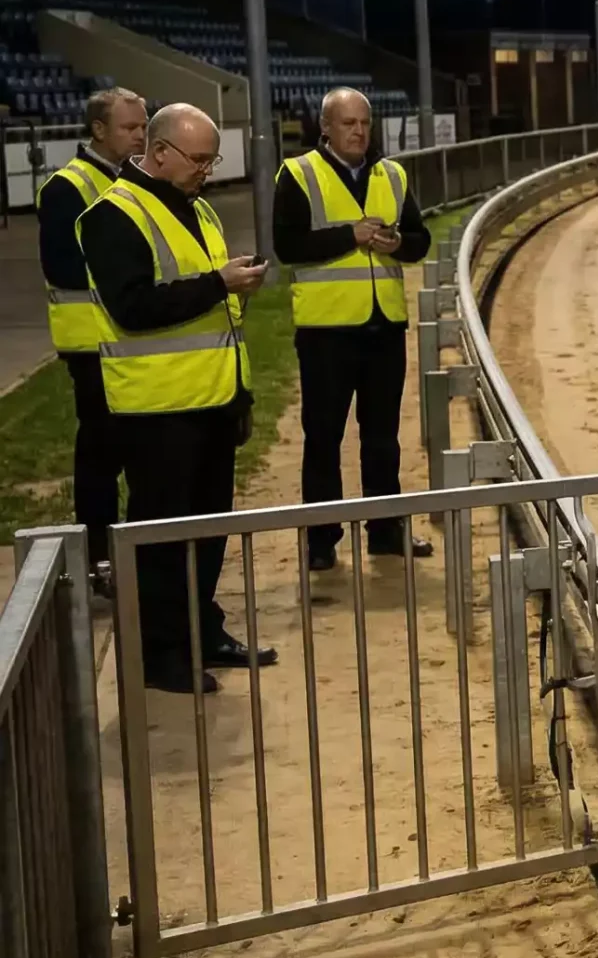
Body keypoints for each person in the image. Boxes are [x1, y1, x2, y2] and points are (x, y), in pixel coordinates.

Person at [78, 103, 276, 694]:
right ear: (158, 152)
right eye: (198, 159)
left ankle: (201, 629)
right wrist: (219, 283)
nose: (207, 170)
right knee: (161, 539)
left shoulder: (198, 206)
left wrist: (232, 285)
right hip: (157, 413)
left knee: (209, 531)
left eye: (212, 159)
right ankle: (158, 654)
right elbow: (133, 307)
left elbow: (206, 301)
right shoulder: (112, 216)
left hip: (213, 402)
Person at [273, 87, 432, 571]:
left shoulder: (393, 174)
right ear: (326, 128)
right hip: (326, 332)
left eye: (365, 122)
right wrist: (351, 235)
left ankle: (385, 530)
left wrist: (397, 240)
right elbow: (288, 246)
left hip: (383, 327)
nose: (360, 131)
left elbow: (419, 241)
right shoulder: (298, 174)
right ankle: (321, 540)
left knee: (383, 437)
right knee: (324, 437)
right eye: (348, 123)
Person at [37, 87, 148, 588]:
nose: (141, 136)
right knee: (102, 455)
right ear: (98, 130)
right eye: (130, 128)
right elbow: (63, 267)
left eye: (144, 126)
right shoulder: (68, 188)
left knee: (140, 452)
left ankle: (134, 550)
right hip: (92, 345)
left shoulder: (142, 180)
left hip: (139, 338)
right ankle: (99, 557)